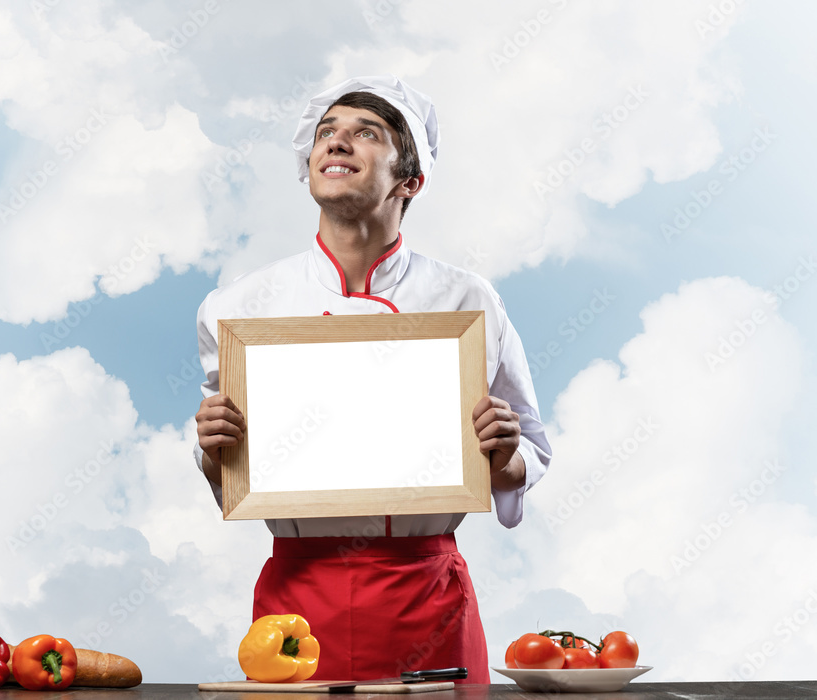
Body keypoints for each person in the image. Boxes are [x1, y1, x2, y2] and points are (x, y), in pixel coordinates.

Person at [193, 75, 551, 684]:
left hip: (426, 596)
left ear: (409, 181)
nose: (336, 143)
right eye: (326, 133)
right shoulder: (240, 307)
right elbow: (230, 476)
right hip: (297, 601)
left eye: (366, 133)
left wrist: (504, 451)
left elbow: (529, 455)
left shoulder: (467, 298)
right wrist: (211, 447)